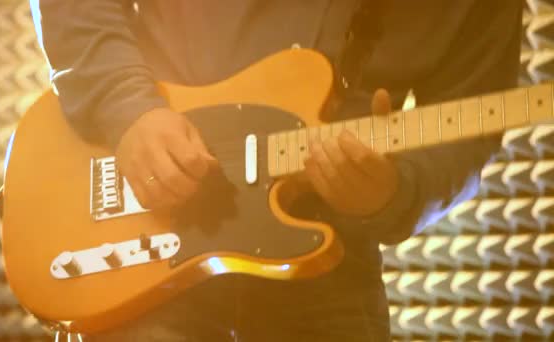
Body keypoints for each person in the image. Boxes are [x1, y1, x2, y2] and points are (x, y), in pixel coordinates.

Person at [30, 1, 522, 341]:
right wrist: (128, 109)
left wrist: (394, 192)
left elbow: (469, 128)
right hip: (153, 243)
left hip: (327, 259)